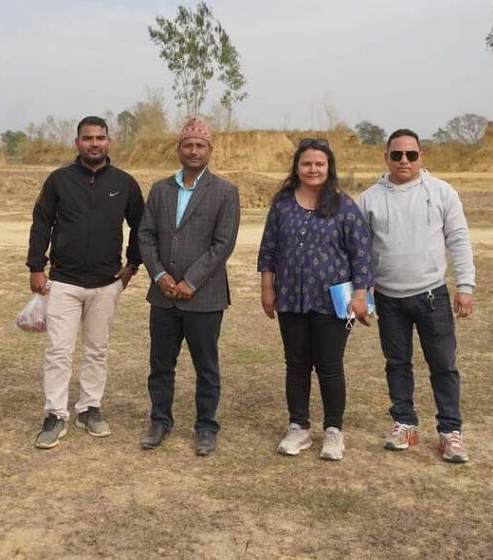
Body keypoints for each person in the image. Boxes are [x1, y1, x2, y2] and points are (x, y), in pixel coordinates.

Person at [357, 128, 475, 463]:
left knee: (443, 364)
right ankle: (405, 424)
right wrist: (363, 295)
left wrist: (465, 286)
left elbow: (459, 238)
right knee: (397, 363)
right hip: (389, 299)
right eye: (397, 155)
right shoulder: (369, 198)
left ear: (421, 156)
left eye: (411, 154)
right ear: (386, 158)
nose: (404, 161)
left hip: (431, 296)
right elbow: (360, 252)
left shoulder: (441, 192)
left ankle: (450, 432)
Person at [27, 116, 144, 449]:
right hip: (64, 281)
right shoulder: (59, 180)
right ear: (77, 142)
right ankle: (55, 414)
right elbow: (41, 223)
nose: (94, 143)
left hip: (106, 283)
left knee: (96, 350)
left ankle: (89, 408)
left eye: (100, 138)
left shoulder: (124, 183)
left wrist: (132, 265)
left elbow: (141, 226)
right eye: (88, 138)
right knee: (58, 351)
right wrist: (36, 266)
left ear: (108, 142)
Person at [257, 139, 373, 461]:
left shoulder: (343, 205)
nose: (313, 169)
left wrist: (361, 295)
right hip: (290, 298)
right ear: (297, 167)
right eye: (307, 163)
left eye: (319, 164)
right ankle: (299, 427)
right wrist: (267, 288)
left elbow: (362, 254)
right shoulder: (282, 204)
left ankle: (334, 431)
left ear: (329, 167)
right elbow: (268, 249)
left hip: (334, 302)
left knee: (329, 365)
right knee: (296, 364)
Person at [137, 118, 240, 456]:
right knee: (161, 365)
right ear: (178, 149)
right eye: (188, 145)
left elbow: (223, 244)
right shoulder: (160, 189)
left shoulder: (225, 192)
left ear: (210, 150)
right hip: (163, 296)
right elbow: (145, 235)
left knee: (206, 367)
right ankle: (160, 421)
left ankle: (206, 427)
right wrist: (159, 275)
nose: (193, 151)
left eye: (200, 146)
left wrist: (191, 280)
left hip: (204, 297)